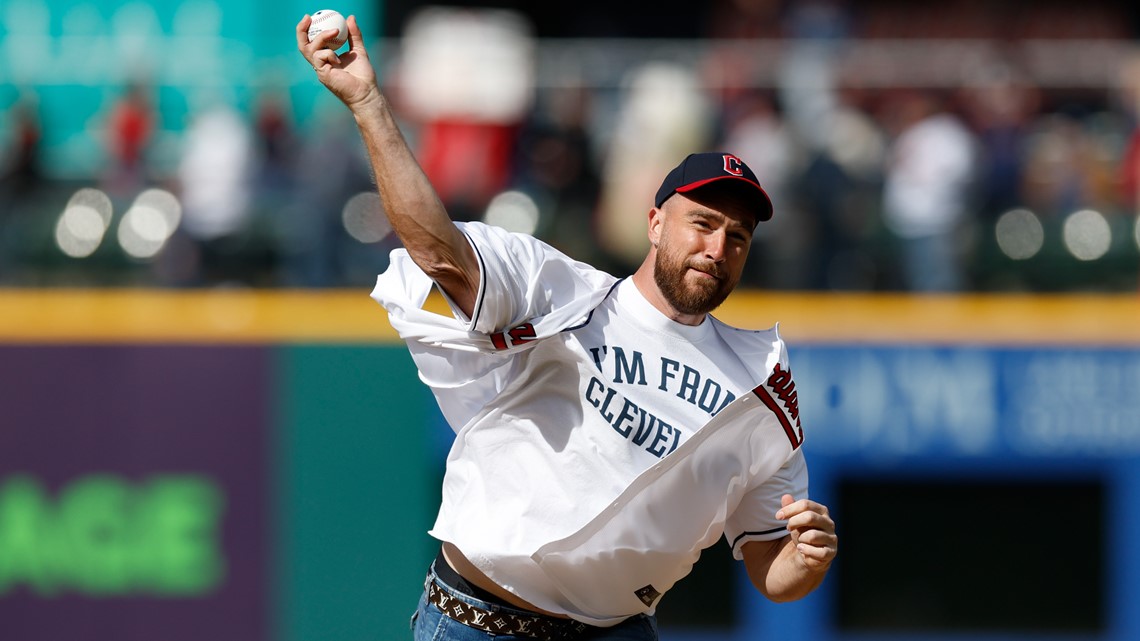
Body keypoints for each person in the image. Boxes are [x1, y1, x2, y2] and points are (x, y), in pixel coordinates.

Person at [297, 15, 837, 641]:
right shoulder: (560, 291)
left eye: (737, 235)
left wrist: (805, 561)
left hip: (616, 630)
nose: (718, 246)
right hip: (482, 621)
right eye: (703, 222)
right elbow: (438, 249)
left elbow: (772, 569)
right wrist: (367, 102)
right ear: (656, 222)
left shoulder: (759, 385)